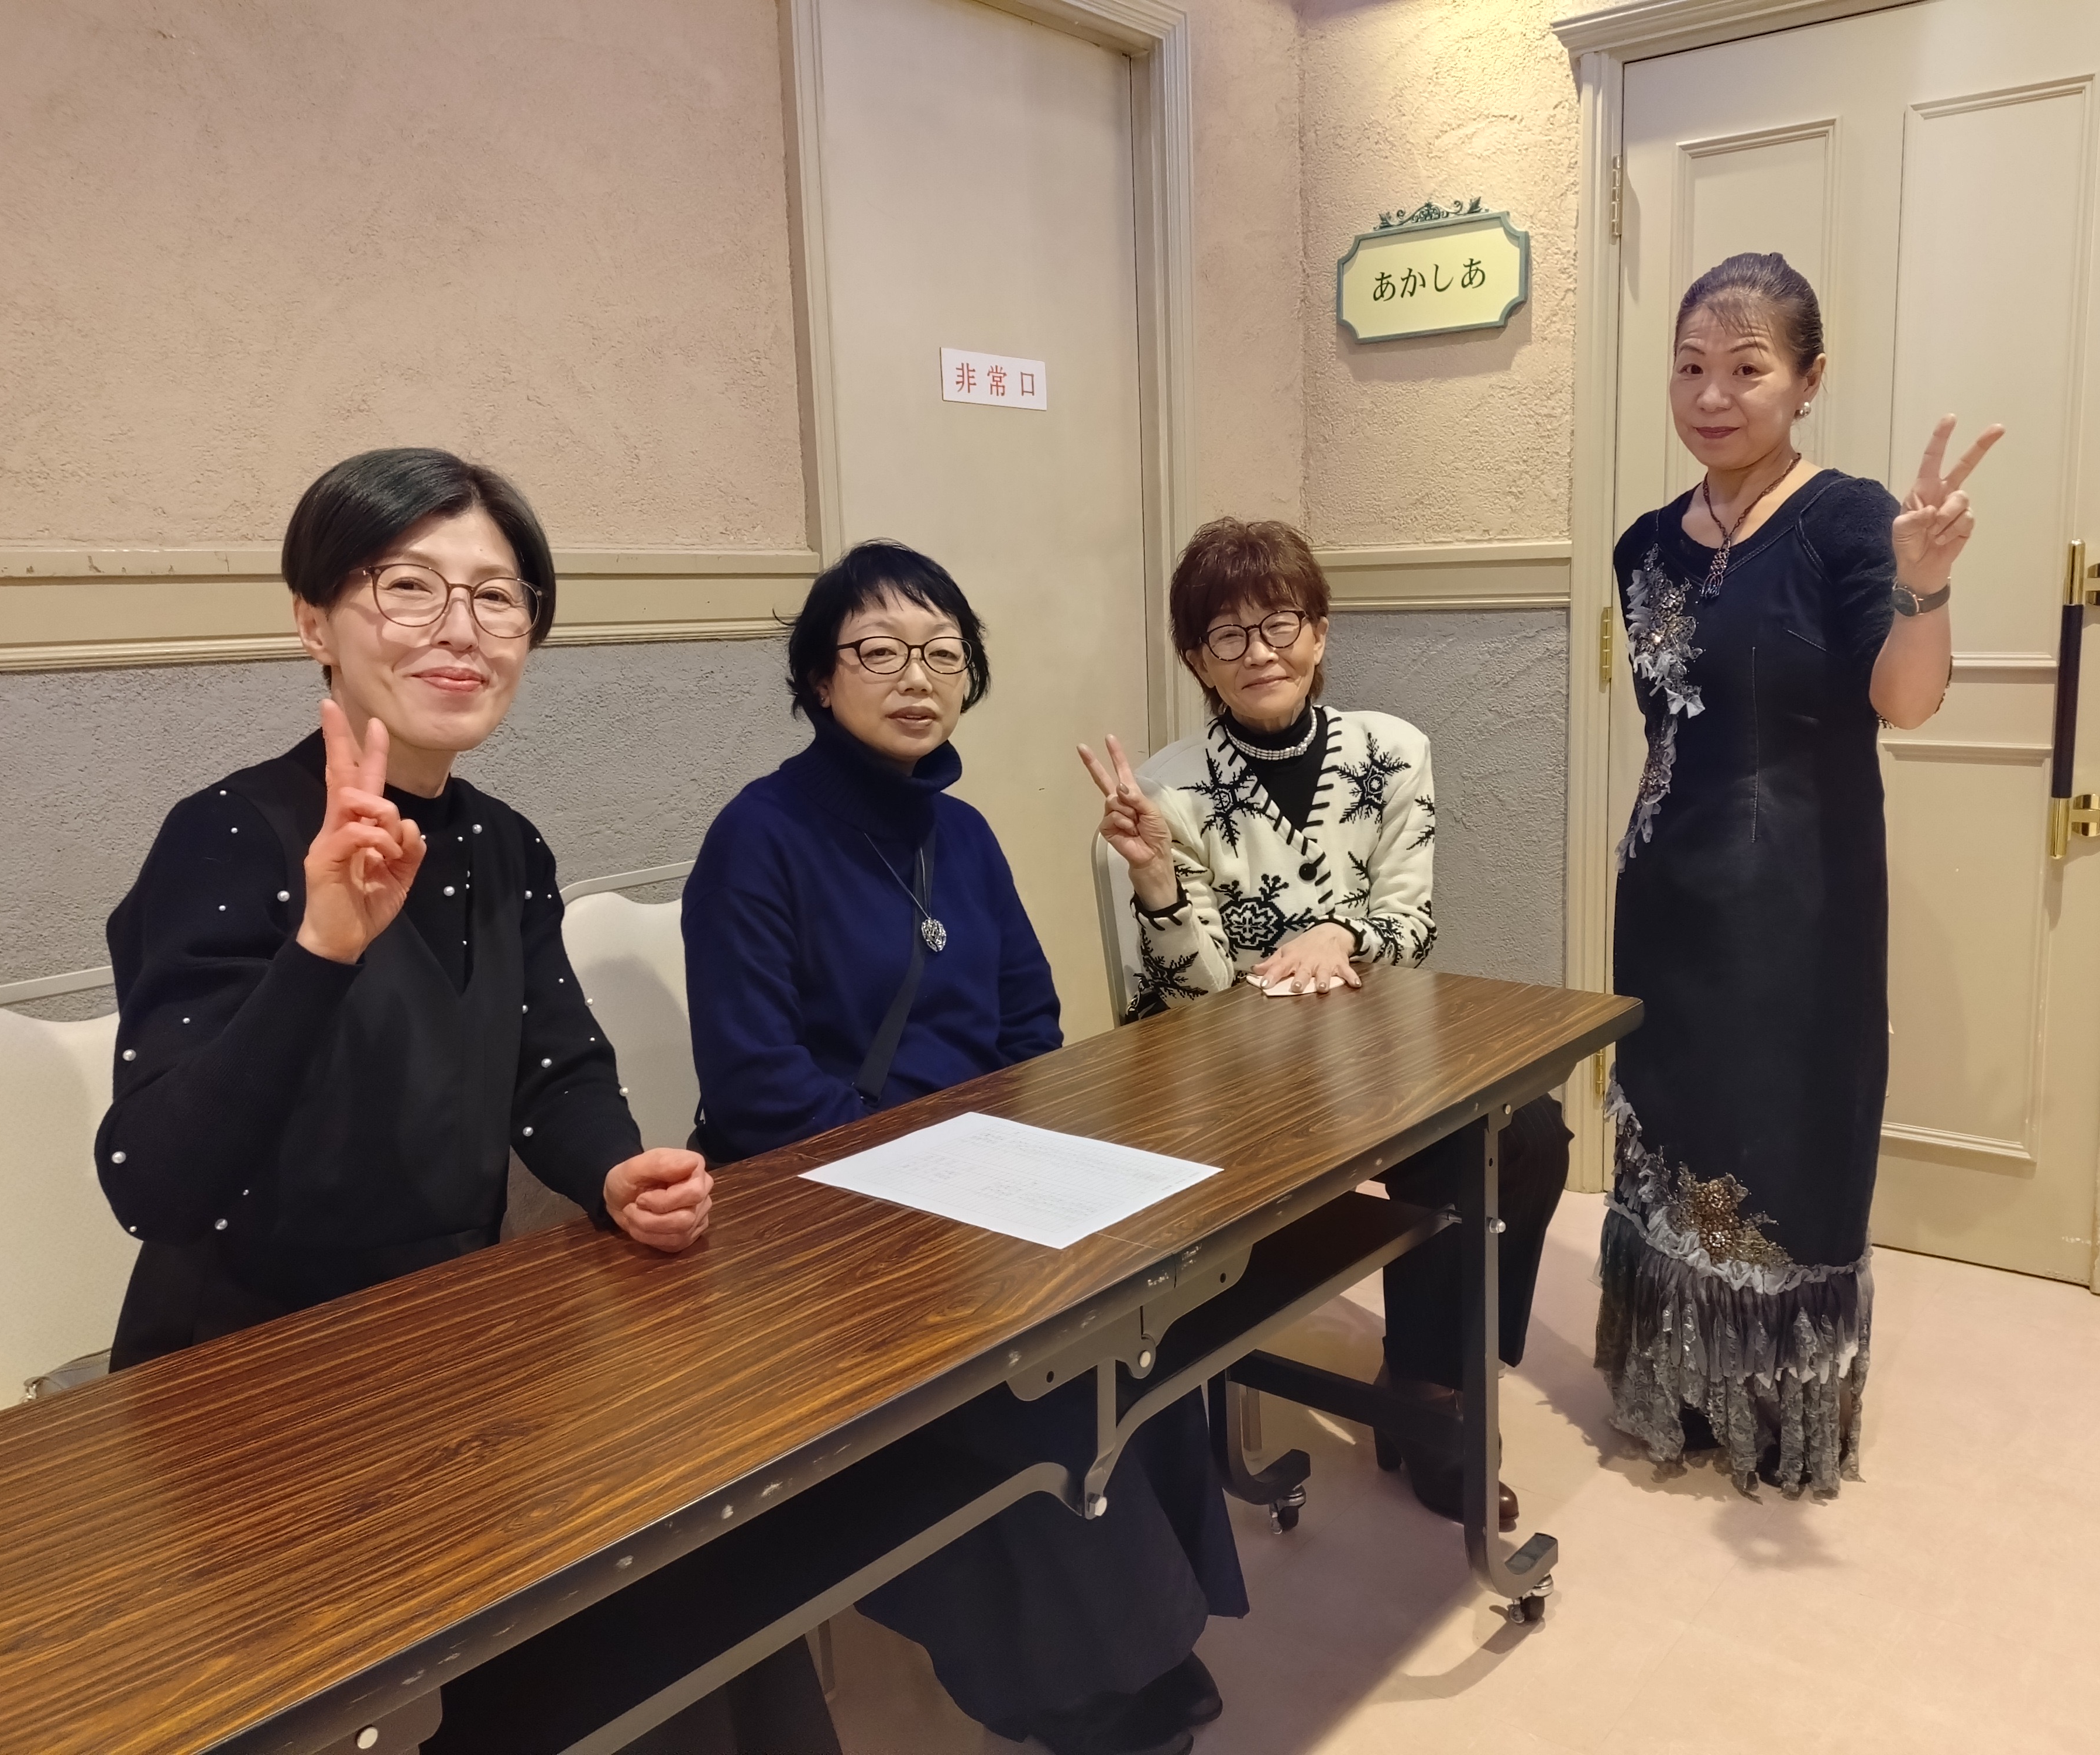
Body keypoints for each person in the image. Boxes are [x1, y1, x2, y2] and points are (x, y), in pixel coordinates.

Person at [95, 447, 834, 1755]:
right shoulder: (229, 835)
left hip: (449, 1343)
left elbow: (557, 1067)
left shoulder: (503, 842)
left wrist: (614, 1171)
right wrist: (323, 945)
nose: (461, 629)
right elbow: (154, 1180)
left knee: (707, 1567)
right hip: (249, 1386)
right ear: (313, 620)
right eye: (408, 586)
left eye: (497, 597)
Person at [682, 541, 1245, 1755]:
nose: (916, 677)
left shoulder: (966, 836)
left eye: (943, 653)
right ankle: (1078, 1688)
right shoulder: (756, 838)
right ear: (817, 676)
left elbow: (1030, 1029)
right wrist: (932, 1181)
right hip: (815, 1217)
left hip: (972, 1192)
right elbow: (756, 1086)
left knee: (1135, 1331)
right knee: (1035, 1398)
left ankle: (1145, 1634)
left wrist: (1009, 1170)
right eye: (879, 651)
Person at [1596, 252, 2001, 1496]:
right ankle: (1674, 1396)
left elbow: (1905, 701)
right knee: (1669, 1143)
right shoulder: (1640, 545)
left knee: (1786, 1148)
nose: (1712, 395)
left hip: (1797, 912)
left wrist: (1923, 584)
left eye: (1746, 368)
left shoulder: (1845, 519)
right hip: (1666, 898)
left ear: (1807, 380)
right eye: (1690, 368)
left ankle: (1775, 1422)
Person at [1078, 517, 1570, 1532]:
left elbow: (1410, 924)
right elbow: (1188, 1005)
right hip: (1233, 1084)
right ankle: (1398, 1391)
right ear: (1196, 659)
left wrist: (1338, 933)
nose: (1258, 652)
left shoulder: (1393, 752)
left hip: (1373, 1055)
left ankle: (1431, 1385)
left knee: (1523, 1138)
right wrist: (1159, 880)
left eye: (1280, 624)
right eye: (1227, 634)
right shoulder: (1165, 792)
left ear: (1320, 633)